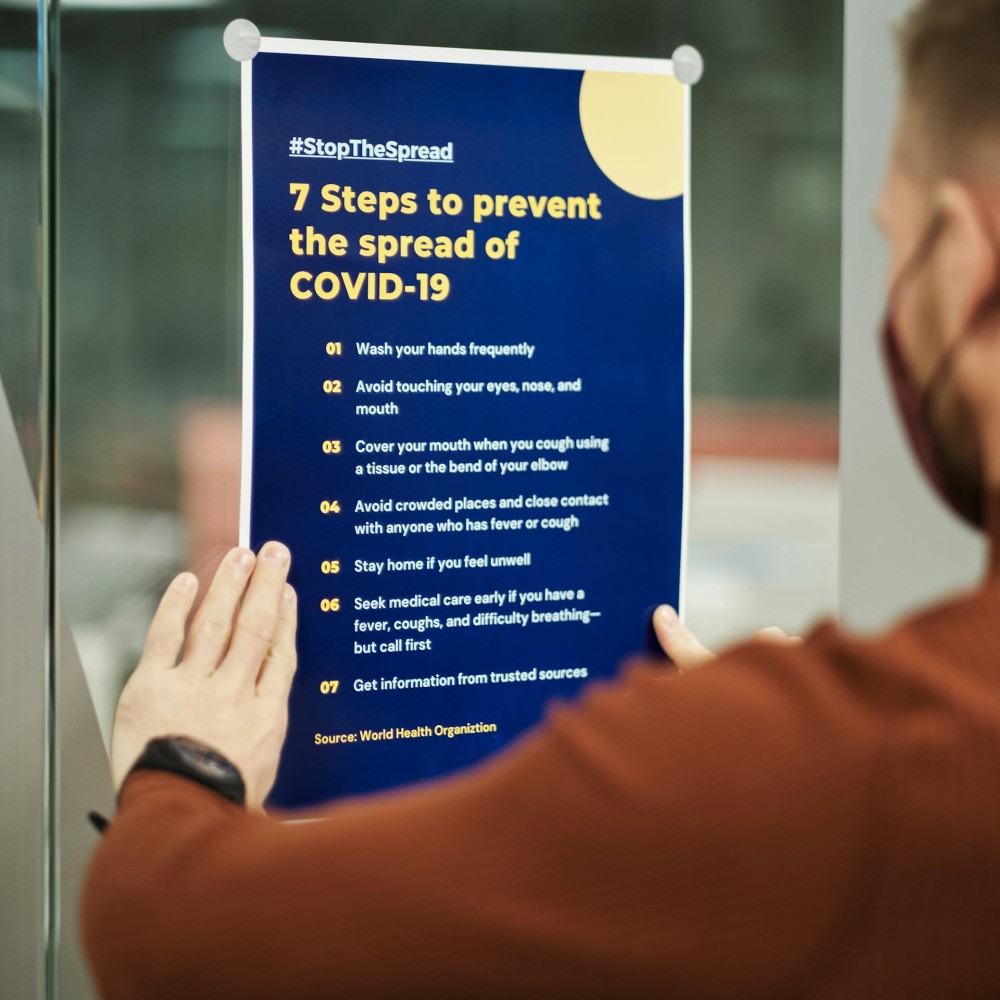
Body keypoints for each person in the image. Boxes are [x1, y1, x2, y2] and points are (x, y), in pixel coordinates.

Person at [81, 0, 1000, 995]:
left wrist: (186, 763)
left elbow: (174, 930)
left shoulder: (869, 763)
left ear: (960, 264)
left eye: (891, 245)